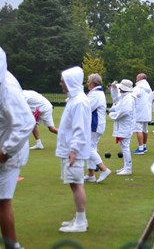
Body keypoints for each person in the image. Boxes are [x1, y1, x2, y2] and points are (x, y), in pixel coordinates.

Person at [0, 47, 36, 249]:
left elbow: (25, 123)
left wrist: (5, 152)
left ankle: (13, 246)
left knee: (2, 201)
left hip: (8, 154)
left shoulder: (8, 90)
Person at [56, 66, 91, 233]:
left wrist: (74, 149)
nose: (61, 84)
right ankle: (79, 218)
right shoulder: (74, 99)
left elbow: (80, 128)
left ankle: (80, 222)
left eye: (63, 81)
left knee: (77, 184)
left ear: (71, 82)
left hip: (73, 150)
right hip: (68, 148)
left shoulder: (80, 101)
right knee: (74, 183)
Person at [84, 73, 111, 184]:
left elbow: (87, 108)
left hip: (94, 125)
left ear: (93, 83)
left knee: (88, 148)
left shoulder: (96, 94)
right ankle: (91, 174)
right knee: (91, 148)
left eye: (88, 81)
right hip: (94, 125)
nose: (87, 83)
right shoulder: (95, 93)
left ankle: (103, 169)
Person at [108, 79, 136, 176]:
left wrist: (112, 115)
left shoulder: (128, 98)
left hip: (126, 125)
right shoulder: (124, 96)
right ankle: (126, 167)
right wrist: (114, 88)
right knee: (124, 146)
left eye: (120, 88)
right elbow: (115, 99)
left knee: (125, 146)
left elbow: (125, 111)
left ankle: (128, 168)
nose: (119, 89)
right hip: (123, 125)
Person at [132, 73, 152, 155]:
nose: (136, 79)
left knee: (138, 130)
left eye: (137, 77)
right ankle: (144, 146)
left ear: (140, 78)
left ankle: (140, 148)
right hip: (147, 111)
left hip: (139, 111)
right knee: (145, 129)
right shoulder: (149, 88)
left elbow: (133, 97)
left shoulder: (138, 88)